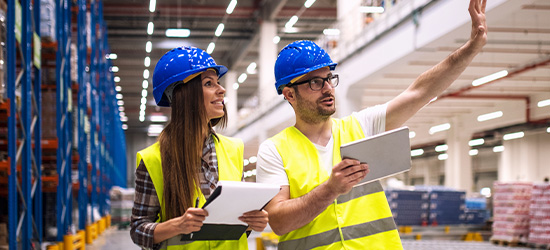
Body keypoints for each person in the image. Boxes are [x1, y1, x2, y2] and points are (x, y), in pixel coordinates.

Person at [256, 0, 487, 249]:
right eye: (315, 82)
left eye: (329, 78)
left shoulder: (360, 128)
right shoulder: (274, 150)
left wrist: (471, 48)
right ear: (289, 94)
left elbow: (418, 92)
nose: (327, 88)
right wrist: (330, 189)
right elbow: (278, 221)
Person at [130, 46, 268, 250]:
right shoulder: (153, 159)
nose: (221, 90)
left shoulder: (234, 149)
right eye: (208, 83)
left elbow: (232, 222)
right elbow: (138, 230)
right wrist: (177, 225)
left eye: (218, 83)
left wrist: (251, 221)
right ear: (183, 94)